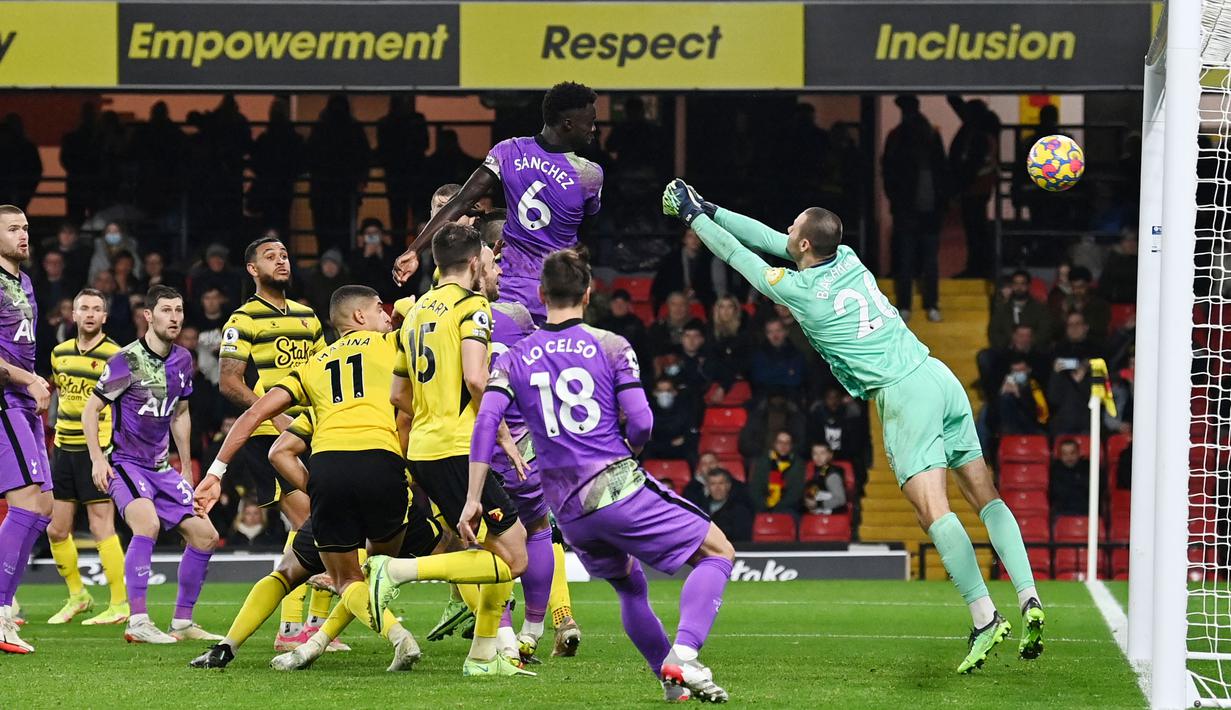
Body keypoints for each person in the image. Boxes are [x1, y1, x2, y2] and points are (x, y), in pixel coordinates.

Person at [665, 179, 1044, 671]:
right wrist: (710, 205)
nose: (785, 230)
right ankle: (1030, 596)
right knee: (985, 494)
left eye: (793, 227)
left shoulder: (801, 292)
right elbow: (767, 236)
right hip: (938, 374)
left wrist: (693, 218)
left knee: (932, 510)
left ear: (803, 244)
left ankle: (984, 617)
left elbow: (743, 255)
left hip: (905, 393)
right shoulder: (846, 256)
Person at [467, 248, 735, 702]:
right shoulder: (611, 346)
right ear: (588, 293)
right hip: (616, 486)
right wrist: (627, 453)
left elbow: (486, 423)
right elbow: (644, 420)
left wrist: (474, 497)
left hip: (569, 512)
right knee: (718, 551)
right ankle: (685, 653)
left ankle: (672, 686)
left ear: (540, 294)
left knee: (631, 586)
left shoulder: (513, 358)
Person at [191, 361, 442, 672]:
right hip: (390, 495)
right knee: (440, 556)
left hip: (334, 492)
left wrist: (318, 490)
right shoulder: (394, 386)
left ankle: (227, 647)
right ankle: (493, 638)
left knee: (300, 574)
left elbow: (278, 451)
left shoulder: (326, 401)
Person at [366, 224, 532, 678]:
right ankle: (397, 572)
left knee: (486, 545)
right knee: (515, 556)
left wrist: (433, 409)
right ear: (475, 262)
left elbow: (399, 392)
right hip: (458, 447)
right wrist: (498, 435)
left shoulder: (415, 311)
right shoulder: (473, 306)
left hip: (423, 445)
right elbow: (478, 379)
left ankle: (483, 656)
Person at [393, 82, 604, 325]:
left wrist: (414, 249)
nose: (594, 128)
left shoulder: (508, 151)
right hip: (557, 291)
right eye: (590, 121)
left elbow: (462, 200)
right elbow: (586, 231)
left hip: (508, 290)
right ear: (568, 123)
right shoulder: (589, 175)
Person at [82, 285, 221, 644]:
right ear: (148, 316)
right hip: (125, 463)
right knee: (147, 523)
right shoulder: (125, 360)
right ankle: (138, 621)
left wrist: (187, 470)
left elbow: (181, 413)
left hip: (161, 468)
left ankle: (182, 622)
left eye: (178, 311)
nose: (174, 317)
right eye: (166, 311)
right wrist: (98, 459)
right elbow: (91, 409)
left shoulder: (183, 360)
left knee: (206, 537)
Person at [212, 235, 327, 651]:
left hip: (311, 430)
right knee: (310, 525)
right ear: (251, 269)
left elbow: (323, 374)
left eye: (283, 254)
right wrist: (273, 413)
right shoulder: (243, 320)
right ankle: (301, 627)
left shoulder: (308, 317)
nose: (280, 261)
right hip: (268, 437)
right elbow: (229, 382)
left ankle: (302, 625)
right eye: (269, 256)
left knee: (316, 525)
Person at [44, 289, 128, 626]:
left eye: (96, 309)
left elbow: (122, 405)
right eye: (84, 309)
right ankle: (78, 596)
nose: (90, 314)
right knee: (56, 529)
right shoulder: (59, 354)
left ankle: (120, 603)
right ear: (73, 314)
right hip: (63, 448)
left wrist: (108, 452)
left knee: (100, 525)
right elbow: (62, 399)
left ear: (105, 317)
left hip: (99, 451)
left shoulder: (117, 355)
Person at [0, 206, 54, 654]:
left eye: (26, 229)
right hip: (4, 400)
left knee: (44, 508)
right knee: (24, 502)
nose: (23, 236)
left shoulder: (25, 282)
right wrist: (28, 379)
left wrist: (35, 383)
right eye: (13, 229)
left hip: (26, 402)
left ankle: (6, 605)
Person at [882, 95, 947, 323]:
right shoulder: (930, 136)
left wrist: (895, 200)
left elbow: (887, 171)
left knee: (908, 260)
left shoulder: (898, 137)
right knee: (925, 261)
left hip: (910, 211)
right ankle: (929, 305)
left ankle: (908, 305)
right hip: (923, 211)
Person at [306, 95, 371, 256]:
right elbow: (364, 157)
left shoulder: (321, 128)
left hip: (325, 187)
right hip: (344, 188)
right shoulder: (353, 129)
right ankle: (341, 261)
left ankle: (327, 260)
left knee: (326, 231)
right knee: (344, 231)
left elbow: (309, 156)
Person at [247, 98, 304, 238]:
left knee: (269, 221)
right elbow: (301, 163)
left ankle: (270, 251)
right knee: (283, 221)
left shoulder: (265, 138)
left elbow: (255, 162)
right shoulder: (293, 139)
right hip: (284, 186)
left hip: (268, 186)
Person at [376, 95, 429, 240]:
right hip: (398, 175)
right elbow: (383, 151)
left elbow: (425, 144)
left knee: (417, 214)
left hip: (412, 174)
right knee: (398, 216)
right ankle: (400, 249)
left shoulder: (416, 120)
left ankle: (421, 249)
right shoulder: (386, 123)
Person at [651, 228, 724, 312]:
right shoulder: (672, 259)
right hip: (676, 298)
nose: (694, 240)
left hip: (703, 301)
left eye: (697, 236)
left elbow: (716, 286)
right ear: (684, 239)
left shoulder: (709, 259)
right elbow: (662, 284)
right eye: (690, 236)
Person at [988, 270, 1053, 350]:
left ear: (1028, 286)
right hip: (1008, 350)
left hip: (1033, 350)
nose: (1019, 287)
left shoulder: (1040, 308)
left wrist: (1028, 341)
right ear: (1012, 285)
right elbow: (993, 332)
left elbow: (1045, 331)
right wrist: (1011, 342)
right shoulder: (1002, 309)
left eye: (1022, 284)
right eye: (1016, 284)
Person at [748, 431, 807, 515]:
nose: (783, 446)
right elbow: (755, 488)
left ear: (791, 445)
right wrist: (765, 505)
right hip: (762, 506)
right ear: (774, 444)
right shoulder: (762, 462)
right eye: (780, 442)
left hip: (788, 508)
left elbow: (796, 492)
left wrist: (777, 508)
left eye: (787, 443)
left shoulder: (798, 464)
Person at [644, 377, 698, 462]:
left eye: (668, 390)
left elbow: (689, 437)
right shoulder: (646, 412)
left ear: (675, 392)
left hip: (680, 454)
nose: (664, 394)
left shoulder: (685, 411)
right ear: (654, 393)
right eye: (660, 391)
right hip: (654, 454)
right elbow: (646, 440)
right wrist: (669, 444)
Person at [996, 356, 1049, 435]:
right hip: (1011, 429)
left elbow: (1039, 412)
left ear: (1028, 370)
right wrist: (1001, 393)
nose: (1018, 374)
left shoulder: (1035, 385)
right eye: (1015, 371)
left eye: (1021, 370)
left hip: (1033, 427)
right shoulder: (1006, 386)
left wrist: (1019, 395)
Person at [704, 468, 753, 543]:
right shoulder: (701, 508)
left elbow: (742, 539)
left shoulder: (740, 510)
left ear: (728, 485)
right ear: (707, 487)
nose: (717, 488)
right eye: (713, 484)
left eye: (721, 483)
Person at [1049, 439, 1094, 516]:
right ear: (1060, 456)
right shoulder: (1055, 470)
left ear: (1078, 453)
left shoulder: (1088, 467)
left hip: (1088, 512)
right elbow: (1057, 493)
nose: (1069, 457)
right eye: (1065, 454)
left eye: (1072, 453)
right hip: (1062, 513)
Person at [802, 443, 848, 515]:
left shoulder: (832, 475)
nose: (818, 457)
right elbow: (816, 486)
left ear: (830, 455)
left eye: (822, 453)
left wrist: (818, 504)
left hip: (833, 517)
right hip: (820, 513)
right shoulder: (821, 471)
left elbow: (841, 500)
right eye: (815, 453)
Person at [647, 291, 692, 359]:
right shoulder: (657, 328)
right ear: (668, 306)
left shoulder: (697, 327)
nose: (678, 309)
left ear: (688, 307)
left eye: (682, 304)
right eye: (674, 304)